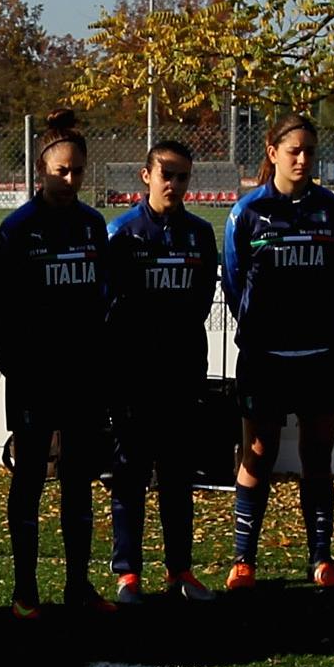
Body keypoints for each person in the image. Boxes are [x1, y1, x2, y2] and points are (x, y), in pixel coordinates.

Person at [223, 116, 334, 591]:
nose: (303, 160)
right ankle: (243, 560)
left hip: (319, 350)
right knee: (258, 452)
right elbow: (234, 282)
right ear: (273, 151)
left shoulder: (333, 211)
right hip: (265, 355)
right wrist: (264, 327)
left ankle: (321, 559)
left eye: (310, 152)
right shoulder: (248, 212)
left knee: (318, 454)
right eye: (294, 150)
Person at [0, 111, 113, 617]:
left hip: (82, 378)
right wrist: (18, 366)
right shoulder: (18, 230)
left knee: (77, 481)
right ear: (41, 170)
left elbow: (103, 298)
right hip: (33, 379)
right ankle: (25, 591)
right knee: (28, 481)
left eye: (77, 171)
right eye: (61, 171)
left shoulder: (92, 225)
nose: (69, 180)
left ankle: (77, 585)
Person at [101, 138, 220, 602]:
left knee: (177, 477)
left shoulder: (199, 233)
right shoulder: (122, 232)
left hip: (182, 371)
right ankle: (127, 573)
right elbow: (109, 303)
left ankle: (180, 572)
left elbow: (202, 302)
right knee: (130, 475)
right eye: (166, 174)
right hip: (133, 375)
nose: (173, 183)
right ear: (146, 176)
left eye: (182, 176)